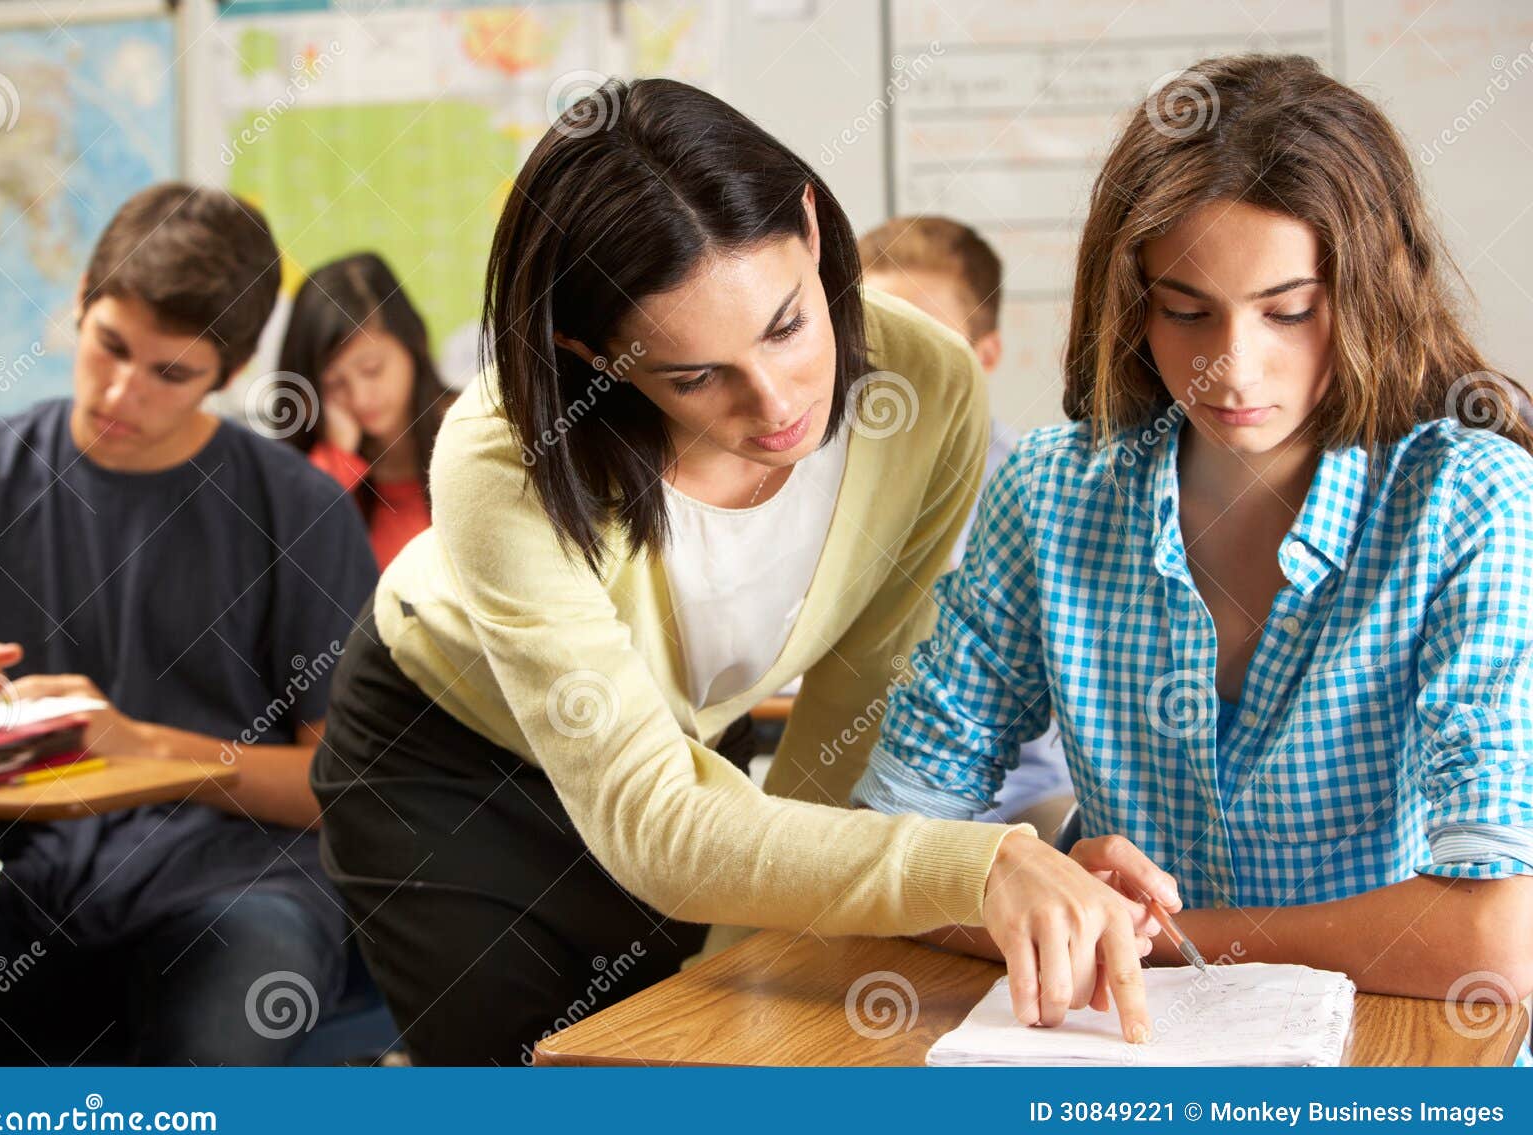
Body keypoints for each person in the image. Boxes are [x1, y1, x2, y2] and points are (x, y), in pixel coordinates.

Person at [311, 78, 1175, 1065]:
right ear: (590, 353)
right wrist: (981, 864)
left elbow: (843, 738)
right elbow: (650, 821)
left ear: (809, 224)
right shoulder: (502, 450)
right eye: (692, 375)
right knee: (541, 1095)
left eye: (785, 326)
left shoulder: (923, 387)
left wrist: (739, 986)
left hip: (682, 760)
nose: (775, 406)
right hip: (448, 764)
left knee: (698, 1065)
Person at [853, 54, 1533, 1032]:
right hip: (1116, 1049)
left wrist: (1162, 933)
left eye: (1289, 310)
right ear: (1133, 302)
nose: (1231, 363)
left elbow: (1494, 939)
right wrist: (1015, 879)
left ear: (1373, 290)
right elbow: (884, 851)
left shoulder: (1468, 498)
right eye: (1185, 309)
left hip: (1391, 1049)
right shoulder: (1049, 489)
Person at [0, 183, 378, 1064]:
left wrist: (148, 750)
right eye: (108, 347)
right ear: (81, 305)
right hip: (47, 896)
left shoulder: (299, 512)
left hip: (248, 894)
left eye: (171, 373)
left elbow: (344, 789)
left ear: (231, 372)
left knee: (200, 1072)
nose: (122, 392)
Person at [858, 215, 1074, 838]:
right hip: (857, 784)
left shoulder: (1038, 491)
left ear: (985, 357)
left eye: (924, 343)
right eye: (872, 342)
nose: (891, 372)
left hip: (1019, 797)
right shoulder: (810, 480)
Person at [277, 253, 450, 570]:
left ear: (415, 342)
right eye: (334, 384)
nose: (359, 397)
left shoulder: (472, 429)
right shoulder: (320, 472)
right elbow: (291, 569)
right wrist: (336, 459)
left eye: (372, 370)